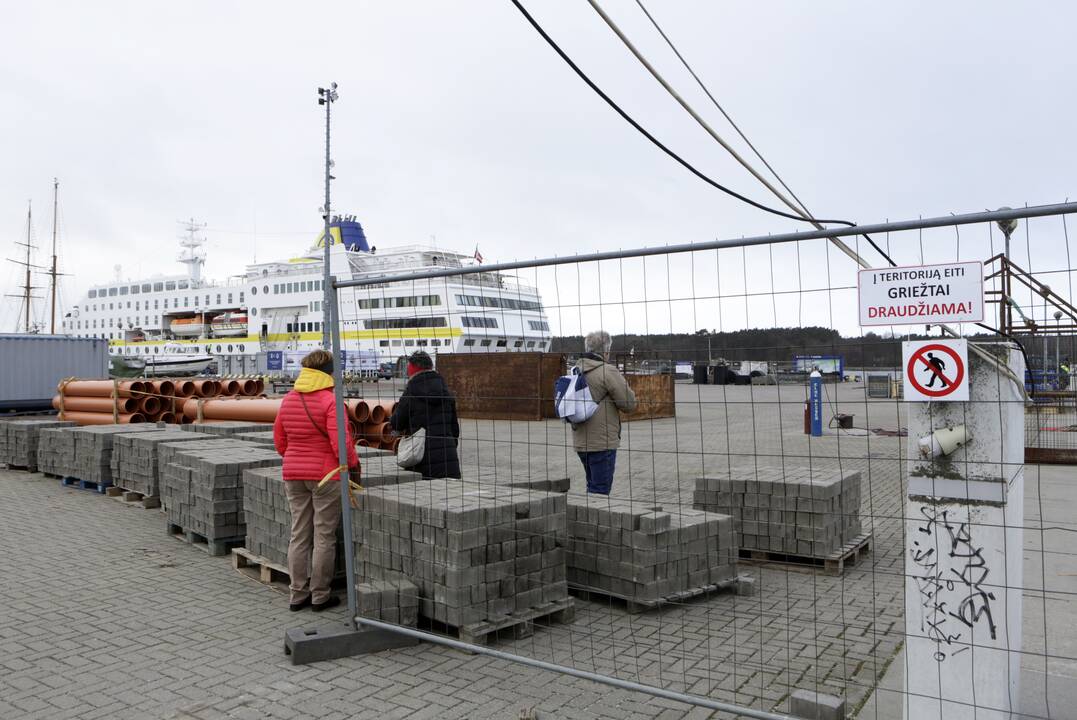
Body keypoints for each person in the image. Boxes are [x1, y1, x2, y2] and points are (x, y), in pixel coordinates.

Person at [273, 349, 359, 612]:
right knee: (324, 535)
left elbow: (280, 441)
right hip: (326, 476)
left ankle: (297, 594)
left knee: (299, 534)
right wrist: (353, 466)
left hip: (293, 474)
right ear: (329, 372)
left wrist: (296, 457)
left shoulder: (288, 400)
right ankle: (320, 595)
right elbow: (341, 445)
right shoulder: (331, 401)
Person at [572, 331, 637, 495]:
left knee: (592, 487)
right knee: (600, 492)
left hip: (580, 441)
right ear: (606, 351)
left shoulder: (575, 370)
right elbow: (629, 404)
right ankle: (593, 520)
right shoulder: (607, 371)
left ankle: (586, 516)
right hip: (602, 442)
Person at [390, 350, 461, 479]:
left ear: (412, 370)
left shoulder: (411, 391)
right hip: (449, 461)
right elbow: (455, 429)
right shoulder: (446, 391)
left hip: (421, 459)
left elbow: (396, 422)